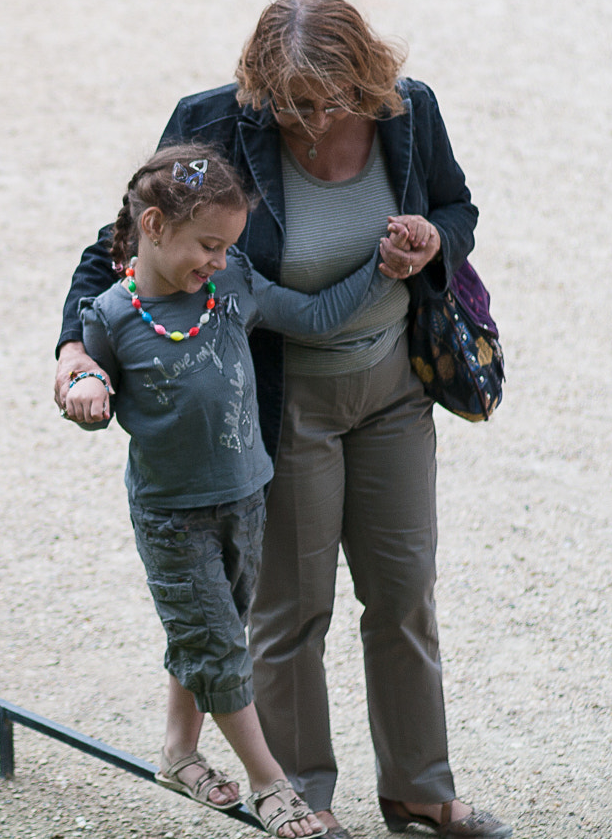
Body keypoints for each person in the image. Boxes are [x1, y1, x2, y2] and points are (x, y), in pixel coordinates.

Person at [54, 0, 510, 839]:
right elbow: (120, 245)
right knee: (292, 609)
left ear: (368, 77)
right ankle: (303, 799)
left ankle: (419, 788)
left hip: (394, 389)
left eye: (334, 99)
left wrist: (434, 238)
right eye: (296, 102)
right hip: (284, 399)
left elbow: (458, 207)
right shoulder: (216, 123)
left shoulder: (408, 112)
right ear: (261, 82)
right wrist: (73, 349)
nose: (314, 119)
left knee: (405, 594)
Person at [75, 143, 392, 838]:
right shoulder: (111, 314)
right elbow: (84, 377)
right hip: (172, 516)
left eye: (227, 247)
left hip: (248, 498)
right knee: (218, 644)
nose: (218, 259)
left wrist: (382, 270)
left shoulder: (232, 286)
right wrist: (85, 387)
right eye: (207, 245)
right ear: (154, 227)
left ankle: (179, 752)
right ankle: (270, 781)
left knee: (207, 636)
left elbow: (311, 316)